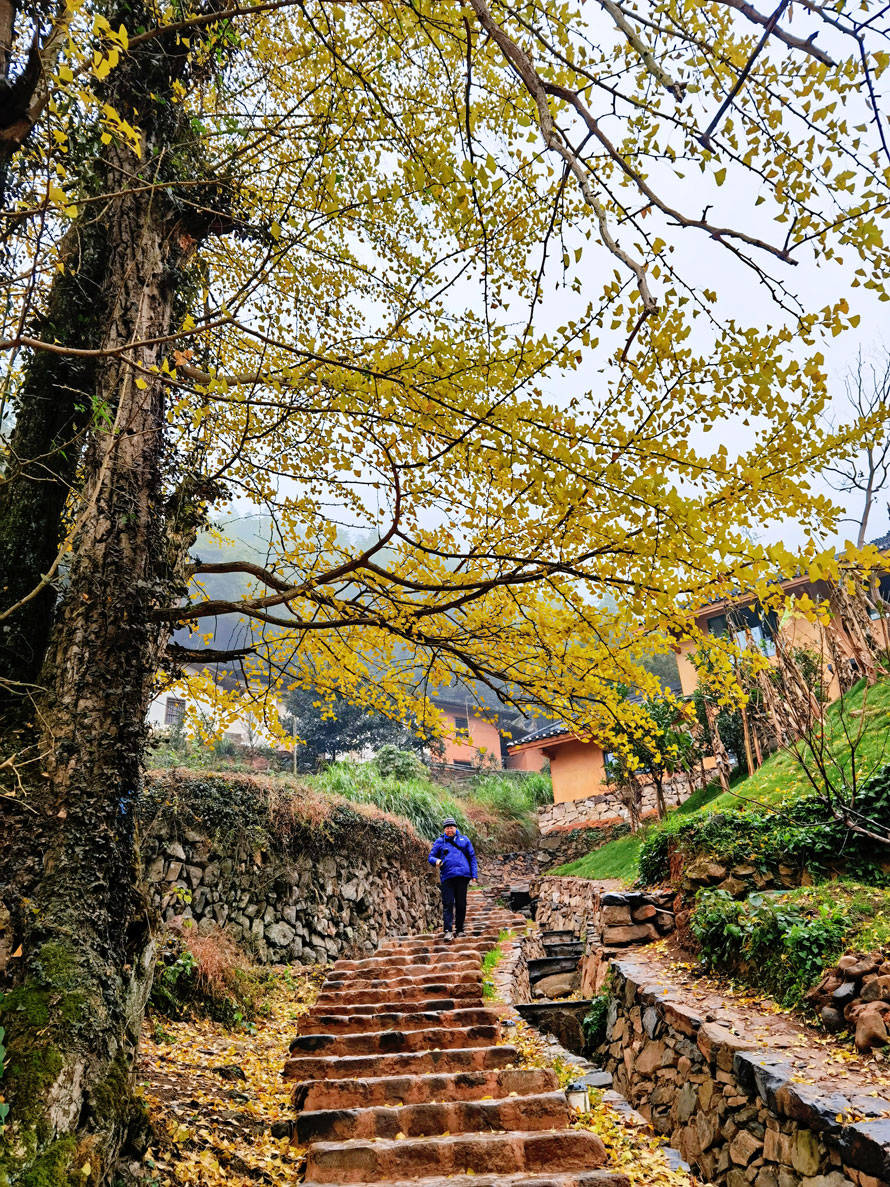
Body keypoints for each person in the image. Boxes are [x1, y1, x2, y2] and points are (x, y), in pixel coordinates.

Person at [428, 816, 478, 940]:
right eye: (447, 828)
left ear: (455, 828)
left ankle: (460, 929)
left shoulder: (464, 840)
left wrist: (474, 875)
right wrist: (437, 861)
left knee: (461, 904)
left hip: (462, 876)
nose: (449, 830)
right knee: (448, 904)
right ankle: (448, 930)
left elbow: (472, 857)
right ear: (444, 830)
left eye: (451, 827)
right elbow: (431, 857)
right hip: (447, 877)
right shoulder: (440, 841)